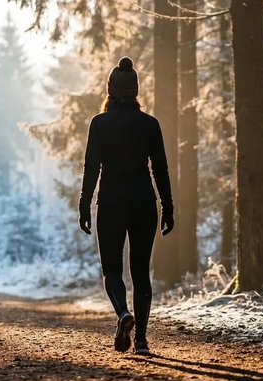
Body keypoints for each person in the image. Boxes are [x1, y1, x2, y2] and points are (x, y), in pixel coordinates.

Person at [78, 56, 174, 356]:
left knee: (112, 270)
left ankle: (122, 314)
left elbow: (91, 167)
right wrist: (168, 206)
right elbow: (161, 168)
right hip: (145, 202)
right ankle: (142, 341)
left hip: (111, 203)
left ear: (110, 91)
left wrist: (83, 205)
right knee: (141, 272)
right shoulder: (150, 124)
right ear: (135, 92)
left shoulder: (100, 123)